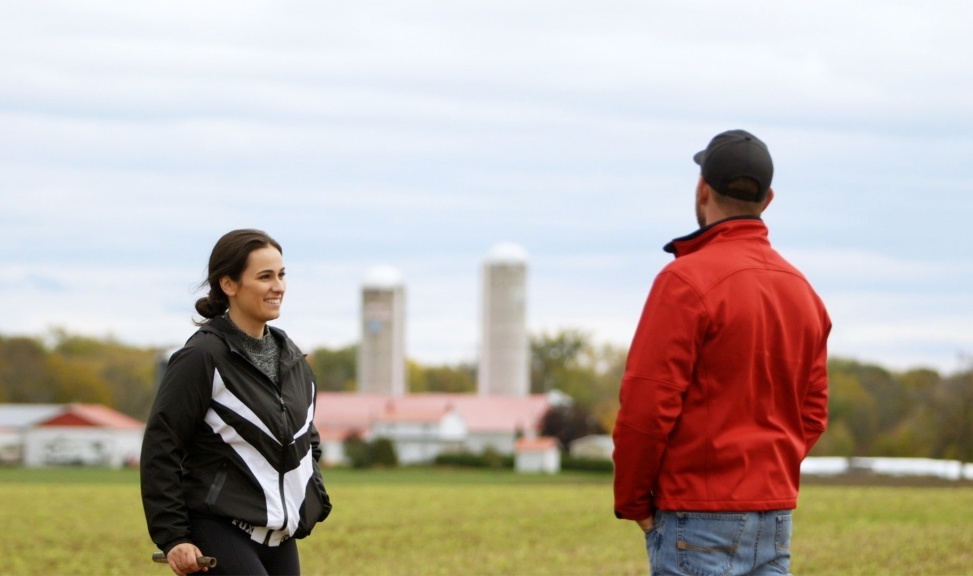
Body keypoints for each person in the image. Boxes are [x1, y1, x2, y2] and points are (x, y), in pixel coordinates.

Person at [612, 130, 830, 576]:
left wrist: (633, 498)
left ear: (702, 189)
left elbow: (647, 404)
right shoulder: (803, 292)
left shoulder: (685, 282)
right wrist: (765, 469)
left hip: (696, 512)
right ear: (768, 199)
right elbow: (813, 412)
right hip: (773, 519)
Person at [141, 229, 332, 576]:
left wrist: (308, 495)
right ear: (228, 284)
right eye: (264, 276)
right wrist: (173, 537)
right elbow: (161, 446)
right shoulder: (202, 357)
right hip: (218, 532)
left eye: (281, 275)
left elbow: (307, 441)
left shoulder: (293, 360)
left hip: (280, 537)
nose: (278, 286)